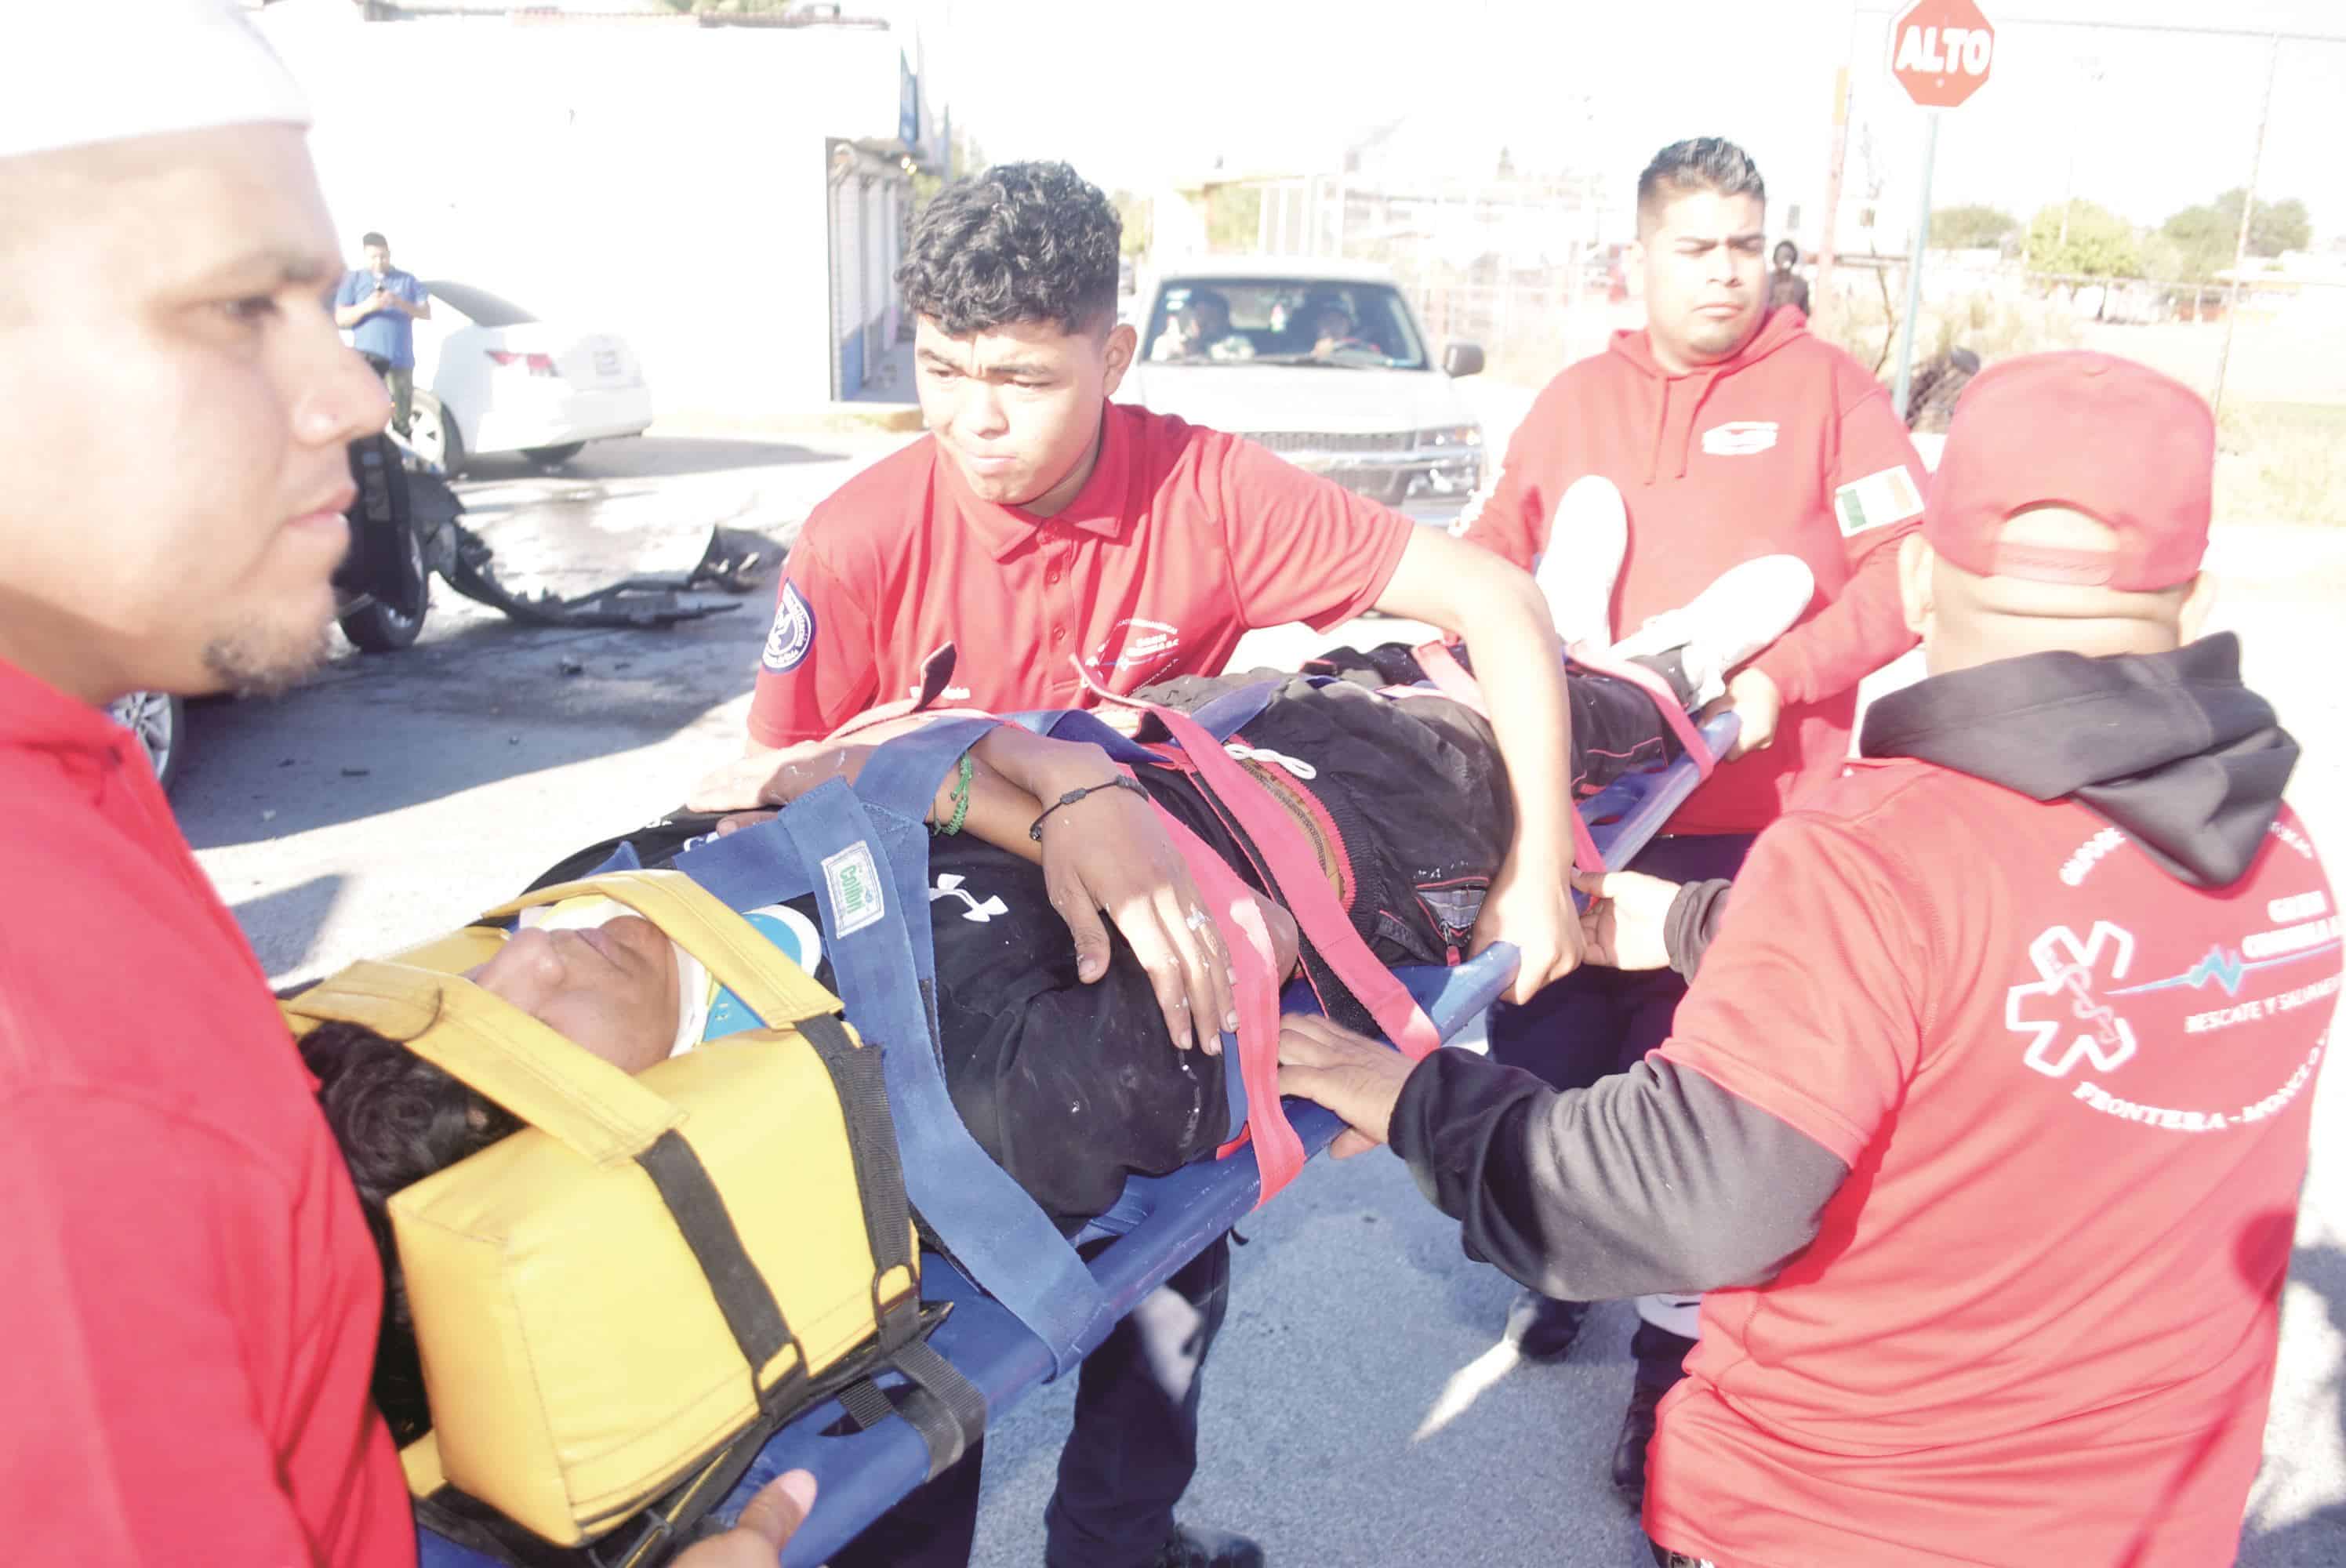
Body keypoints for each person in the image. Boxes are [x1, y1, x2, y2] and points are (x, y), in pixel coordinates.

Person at [307, 549, 1810, 1444]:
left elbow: (833, 764)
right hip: (1387, 817)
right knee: (1517, 714)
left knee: (1402, 662)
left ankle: (1576, 629)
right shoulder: (960, 1112)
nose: (542, 946)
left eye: (482, 964)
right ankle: (1677, 664)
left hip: (1224, 735)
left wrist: (1051, 794)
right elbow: (1244, 975)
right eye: (527, 1020)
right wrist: (1027, 791)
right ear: (608, 1134)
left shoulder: (624, 899)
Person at [1279, 352, 2336, 1568]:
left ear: (1927, 579)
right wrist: (1692, 923)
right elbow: (2013, 988)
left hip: (1843, 1521)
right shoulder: (2281, 862)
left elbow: (1665, 1202)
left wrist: (1404, 1093)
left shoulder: (1879, 857)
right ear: (2193, 600)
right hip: (2154, 1523)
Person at [695, 159, 1589, 1568]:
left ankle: (1118, 1550)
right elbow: (762, 804)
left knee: (1169, 1306)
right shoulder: (863, 540)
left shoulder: (1205, 490)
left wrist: (1542, 861)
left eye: (1022, 378)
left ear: (1112, 355)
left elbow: (1492, 594)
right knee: (924, 1376)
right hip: (941, 1040)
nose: (973, 420)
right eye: (940, 369)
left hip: (1163, 994)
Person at [0, 4, 806, 1562]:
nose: (359, 396)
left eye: (330, 304)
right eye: (240, 309)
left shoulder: (77, 769)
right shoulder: (57, 1082)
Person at [1447, 134, 1931, 1497]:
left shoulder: (1830, 394)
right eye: (1695, 247)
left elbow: (1909, 575)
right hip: (1583, 821)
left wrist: (1781, 679)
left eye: (1743, 245)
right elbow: (1491, 555)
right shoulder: (1578, 402)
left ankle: (1666, 1398)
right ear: (1639, 257)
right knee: (1547, 1062)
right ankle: (1565, 1255)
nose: (1724, 272)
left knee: (1709, 1117)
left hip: (1759, 832)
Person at [334, 229, 430, 435]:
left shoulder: (407, 280)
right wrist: (368, 307)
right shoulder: (354, 280)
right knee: (366, 418)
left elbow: (425, 312)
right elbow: (340, 319)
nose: (378, 262)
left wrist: (399, 302)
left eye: (383, 256)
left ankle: (403, 459)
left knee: (401, 419)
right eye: (373, 257)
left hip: (399, 362)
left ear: (389, 254)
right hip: (368, 362)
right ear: (364, 256)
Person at [1149, 286, 1255, 363]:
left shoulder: (1238, 344)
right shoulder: (1168, 343)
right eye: (1199, 316)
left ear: (1224, 321)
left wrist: (1205, 351)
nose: (1203, 323)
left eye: (1211, 317)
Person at [1767, 239, 1810, 314]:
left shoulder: (1801, 284)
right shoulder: (1766, 281)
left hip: (1791, 323)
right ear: (1775, 258)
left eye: (1787, 256)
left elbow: (1804, 313)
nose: (1784, 260)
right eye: (1781, 256)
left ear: (1793, 259)